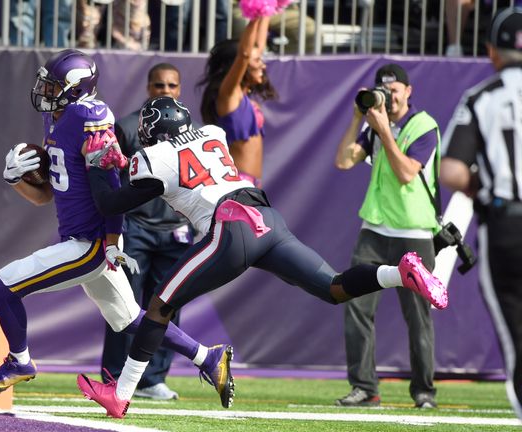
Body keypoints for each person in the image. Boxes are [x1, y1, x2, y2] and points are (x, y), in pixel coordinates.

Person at [76, 96, 449, 418]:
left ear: (153, 131)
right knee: (334, 287)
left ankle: (120, 395)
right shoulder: (212, 133)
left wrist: (96, 164)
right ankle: (399, 273)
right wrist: (121, 166)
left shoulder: (152, 157)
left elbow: (111, 202)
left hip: (229, 227)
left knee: (158, 307)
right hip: (267, 218)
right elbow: (183, 168)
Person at [0, 49, 231, 398]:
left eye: (53, 86)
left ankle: (20, 360)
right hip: (81, 238)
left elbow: (111, 181)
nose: (45, 92)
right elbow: (46, 196)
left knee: (4, 286)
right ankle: (208, 357)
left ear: (76, 88)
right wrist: (16, 179)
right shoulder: (58, 117)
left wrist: (111, 241)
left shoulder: (90, 116)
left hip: (91, 243)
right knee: (131, 319)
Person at [333, 63, 442, 409]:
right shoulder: (374, 126)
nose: (389, 96)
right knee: (356, 306)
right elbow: (343, 162)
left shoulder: (424, 126)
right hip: (374, 229)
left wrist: (384, 130)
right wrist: (357, 119)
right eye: (383, 90)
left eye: (395, 89)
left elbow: (407, 173)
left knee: (417, 315)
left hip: (413, 232)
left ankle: (424, 391)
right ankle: (365, 388)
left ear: (408, 91)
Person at [440, 6, 522, 420]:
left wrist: (480, 186)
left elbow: (452, 170)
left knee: (517, 339)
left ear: (491, 52)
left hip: (507, 224)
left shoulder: (481, 97)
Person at [100, 63, 194, 401]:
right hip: (134, 228)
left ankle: (153, 379)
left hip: (177, 230)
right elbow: (110, 180)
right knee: (121, 304)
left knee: (168, 305)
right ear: (148, 88)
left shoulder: (191, 131)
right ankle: (112, 377)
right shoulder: (125, 127)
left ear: (180, 90)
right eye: (158, 85)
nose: (165, 91)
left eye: (171, 85)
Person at [198, 16, 278, 188]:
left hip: (253, 185)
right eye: (257, 61)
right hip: (236, 185)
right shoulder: (228, 95)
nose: (263, 65)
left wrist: (265, 11)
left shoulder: (243, 95)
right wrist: (254, 18)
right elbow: (245, 54)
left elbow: (256, 48)